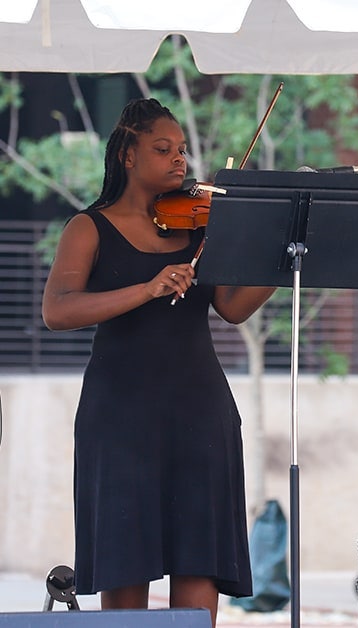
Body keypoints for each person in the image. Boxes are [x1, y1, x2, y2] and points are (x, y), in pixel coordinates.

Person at [41, 98, 275, 626]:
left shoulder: (197, 228)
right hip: (120, 416)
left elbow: (233, 308)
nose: (179, 161)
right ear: (127, 153)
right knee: (127, 560)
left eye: (183, 151)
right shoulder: (88, 227)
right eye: (163, 149)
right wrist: (145, 289)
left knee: (200, 560)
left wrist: (283, 256)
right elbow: (57, 311)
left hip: (201, 411)